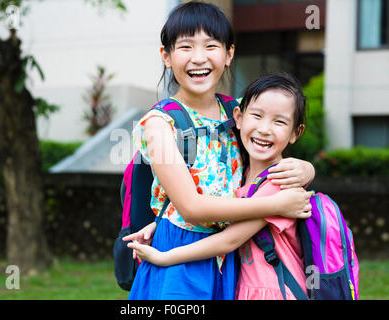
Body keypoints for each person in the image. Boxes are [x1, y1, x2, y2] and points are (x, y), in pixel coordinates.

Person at [124, 2, 313, 300]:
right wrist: (277, 206)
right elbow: (192, 208)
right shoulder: (159, 125)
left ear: (229, 55)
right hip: (179, 254)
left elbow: (268, 155)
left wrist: (306, 169)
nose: (199, 58)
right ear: (167, 56)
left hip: (231, 254)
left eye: (211, 46)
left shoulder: (237, 112)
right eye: (185, 47)